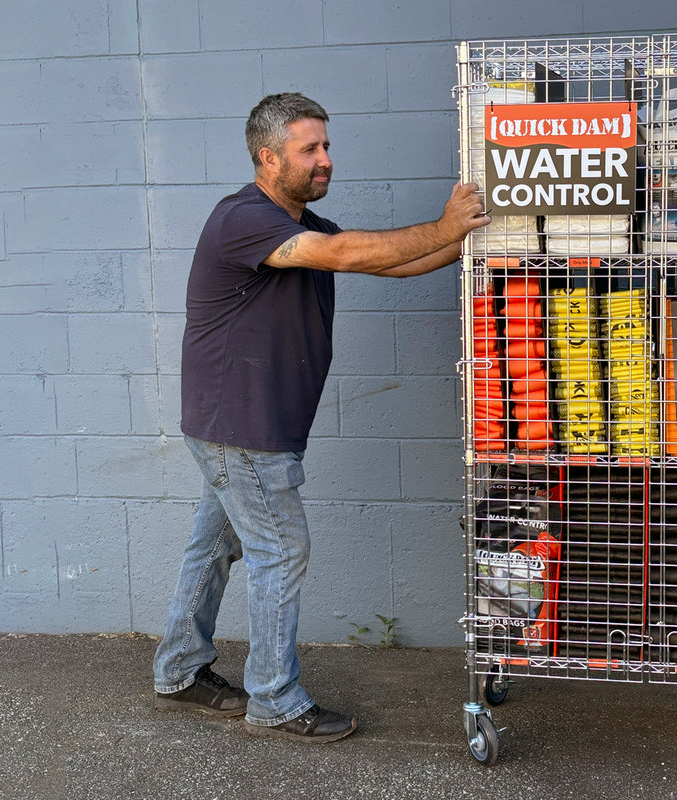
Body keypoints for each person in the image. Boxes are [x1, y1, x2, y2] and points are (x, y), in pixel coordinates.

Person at [151, 92, 490, 743]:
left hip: (234, 427)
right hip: (243, 432)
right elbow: (347, 256)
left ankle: (179, 669)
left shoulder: (301, 227)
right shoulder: (244, 218)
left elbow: (394, 261)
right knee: (281, 550)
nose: (325, 159)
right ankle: (274, 699)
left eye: (326, 146)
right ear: (267, 156)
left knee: (215, 545)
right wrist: (446, 225)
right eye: (310, 149)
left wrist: (466, 234)